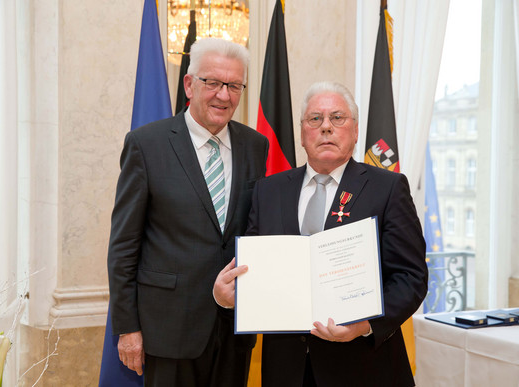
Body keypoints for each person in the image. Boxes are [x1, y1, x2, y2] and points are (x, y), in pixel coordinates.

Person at [215, 81, 427, 386]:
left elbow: (411, 277)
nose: (326, 127)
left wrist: (365, 325)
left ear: (355, 131)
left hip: (363, 366)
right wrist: (230, 296)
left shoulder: (388, 188)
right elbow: (256, 271)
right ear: (302, 134)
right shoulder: (268, 191)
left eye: (337, 118)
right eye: (315, 119)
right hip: (286, 369)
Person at [107, 37, 268, 387]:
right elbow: (123, 245)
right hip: (168, 329)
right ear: (189, 84)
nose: (224, 95)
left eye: (234, 85)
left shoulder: (256, 146)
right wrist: (127, 328)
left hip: (235, 326)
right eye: (212, 82)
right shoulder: (146, 144)